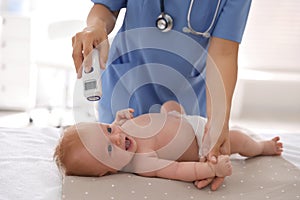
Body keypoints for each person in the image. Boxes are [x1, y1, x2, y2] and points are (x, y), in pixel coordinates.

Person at [71, 0, 252, 190]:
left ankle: (261, 146)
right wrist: (96, 25)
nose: (113, 137)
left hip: (185, 92)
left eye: (109, 131)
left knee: (198, 144)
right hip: (126, 84)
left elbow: (224, 52)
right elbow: (107, 6)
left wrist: (218, 121)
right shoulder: (127, 147)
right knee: (115, 170)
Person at [54, 101, 283, 190]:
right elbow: (179, 170)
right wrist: (213, 169)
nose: (115, 137)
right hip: (201, 141)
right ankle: (262, 147)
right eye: (110, 149)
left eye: (108, 130)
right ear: (108, 171)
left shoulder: (120, 133)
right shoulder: (142, 161)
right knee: (238, 140)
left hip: (181, 120)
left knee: (169, 104)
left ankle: (173, 114)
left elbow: (115, 128)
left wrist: (118, 120)